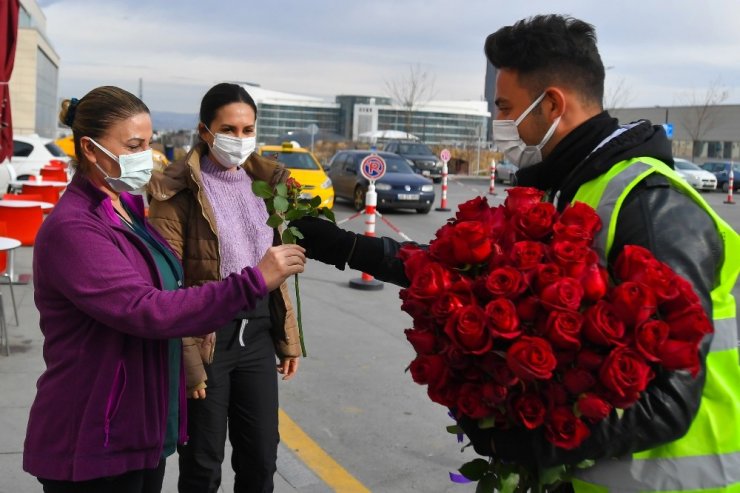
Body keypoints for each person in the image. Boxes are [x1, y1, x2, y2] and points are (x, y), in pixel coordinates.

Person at [290, 14, 740, 493]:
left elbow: (672, 397)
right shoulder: (570, 188)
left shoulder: (648, 204)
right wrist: (344, 245)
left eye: (505, 108)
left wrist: (529, 442)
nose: (499, 124)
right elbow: (470, 278)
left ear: (551, 104)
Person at [23, 86, 306, 493]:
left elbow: (169, 286)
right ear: (89, 148)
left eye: (149, 142)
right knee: (204, 468)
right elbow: (148, 308)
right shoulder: (75, 228)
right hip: (95, 435)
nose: (145, 155)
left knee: (259, 456)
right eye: (134, 144)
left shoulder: (126, 209)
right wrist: (254, 281)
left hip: (138, 429)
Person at [147, 82, 301, 493]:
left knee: (261, 456)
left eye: (248, 129)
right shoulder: (176, 192)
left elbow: (274, 268)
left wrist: (287, 340)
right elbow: (168, 286)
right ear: (204, 131)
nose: (240, 139)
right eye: (229, 130)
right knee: (203, 463)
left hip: (257, 335)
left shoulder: (267, 186)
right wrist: (190, 362)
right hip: (207, 337)